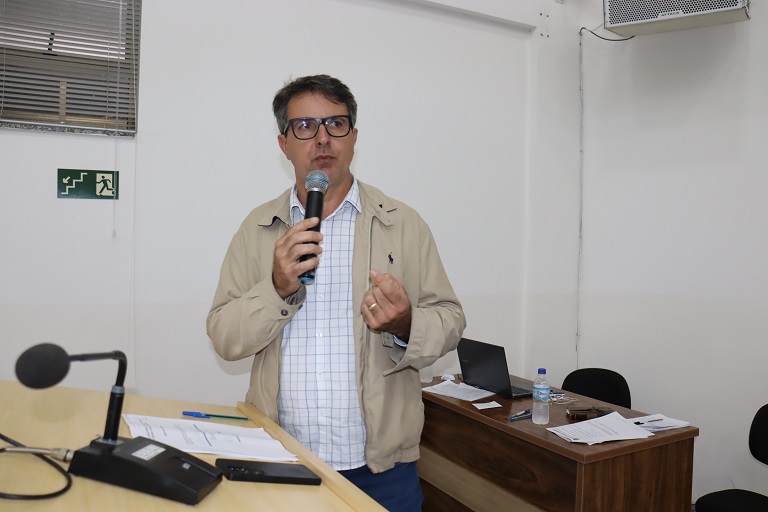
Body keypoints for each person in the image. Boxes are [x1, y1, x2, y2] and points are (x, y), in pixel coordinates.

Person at [206, 74, 465, 511]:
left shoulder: (403, 224)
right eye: (305, 126)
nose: (323, 138)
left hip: (382, 471)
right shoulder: (257, 229)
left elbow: (451, 319)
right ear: (284, 143)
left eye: (336, 124)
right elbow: (224, 337)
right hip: (281, 460)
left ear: (354, 137)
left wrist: (405, 324)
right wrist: (276, 288)